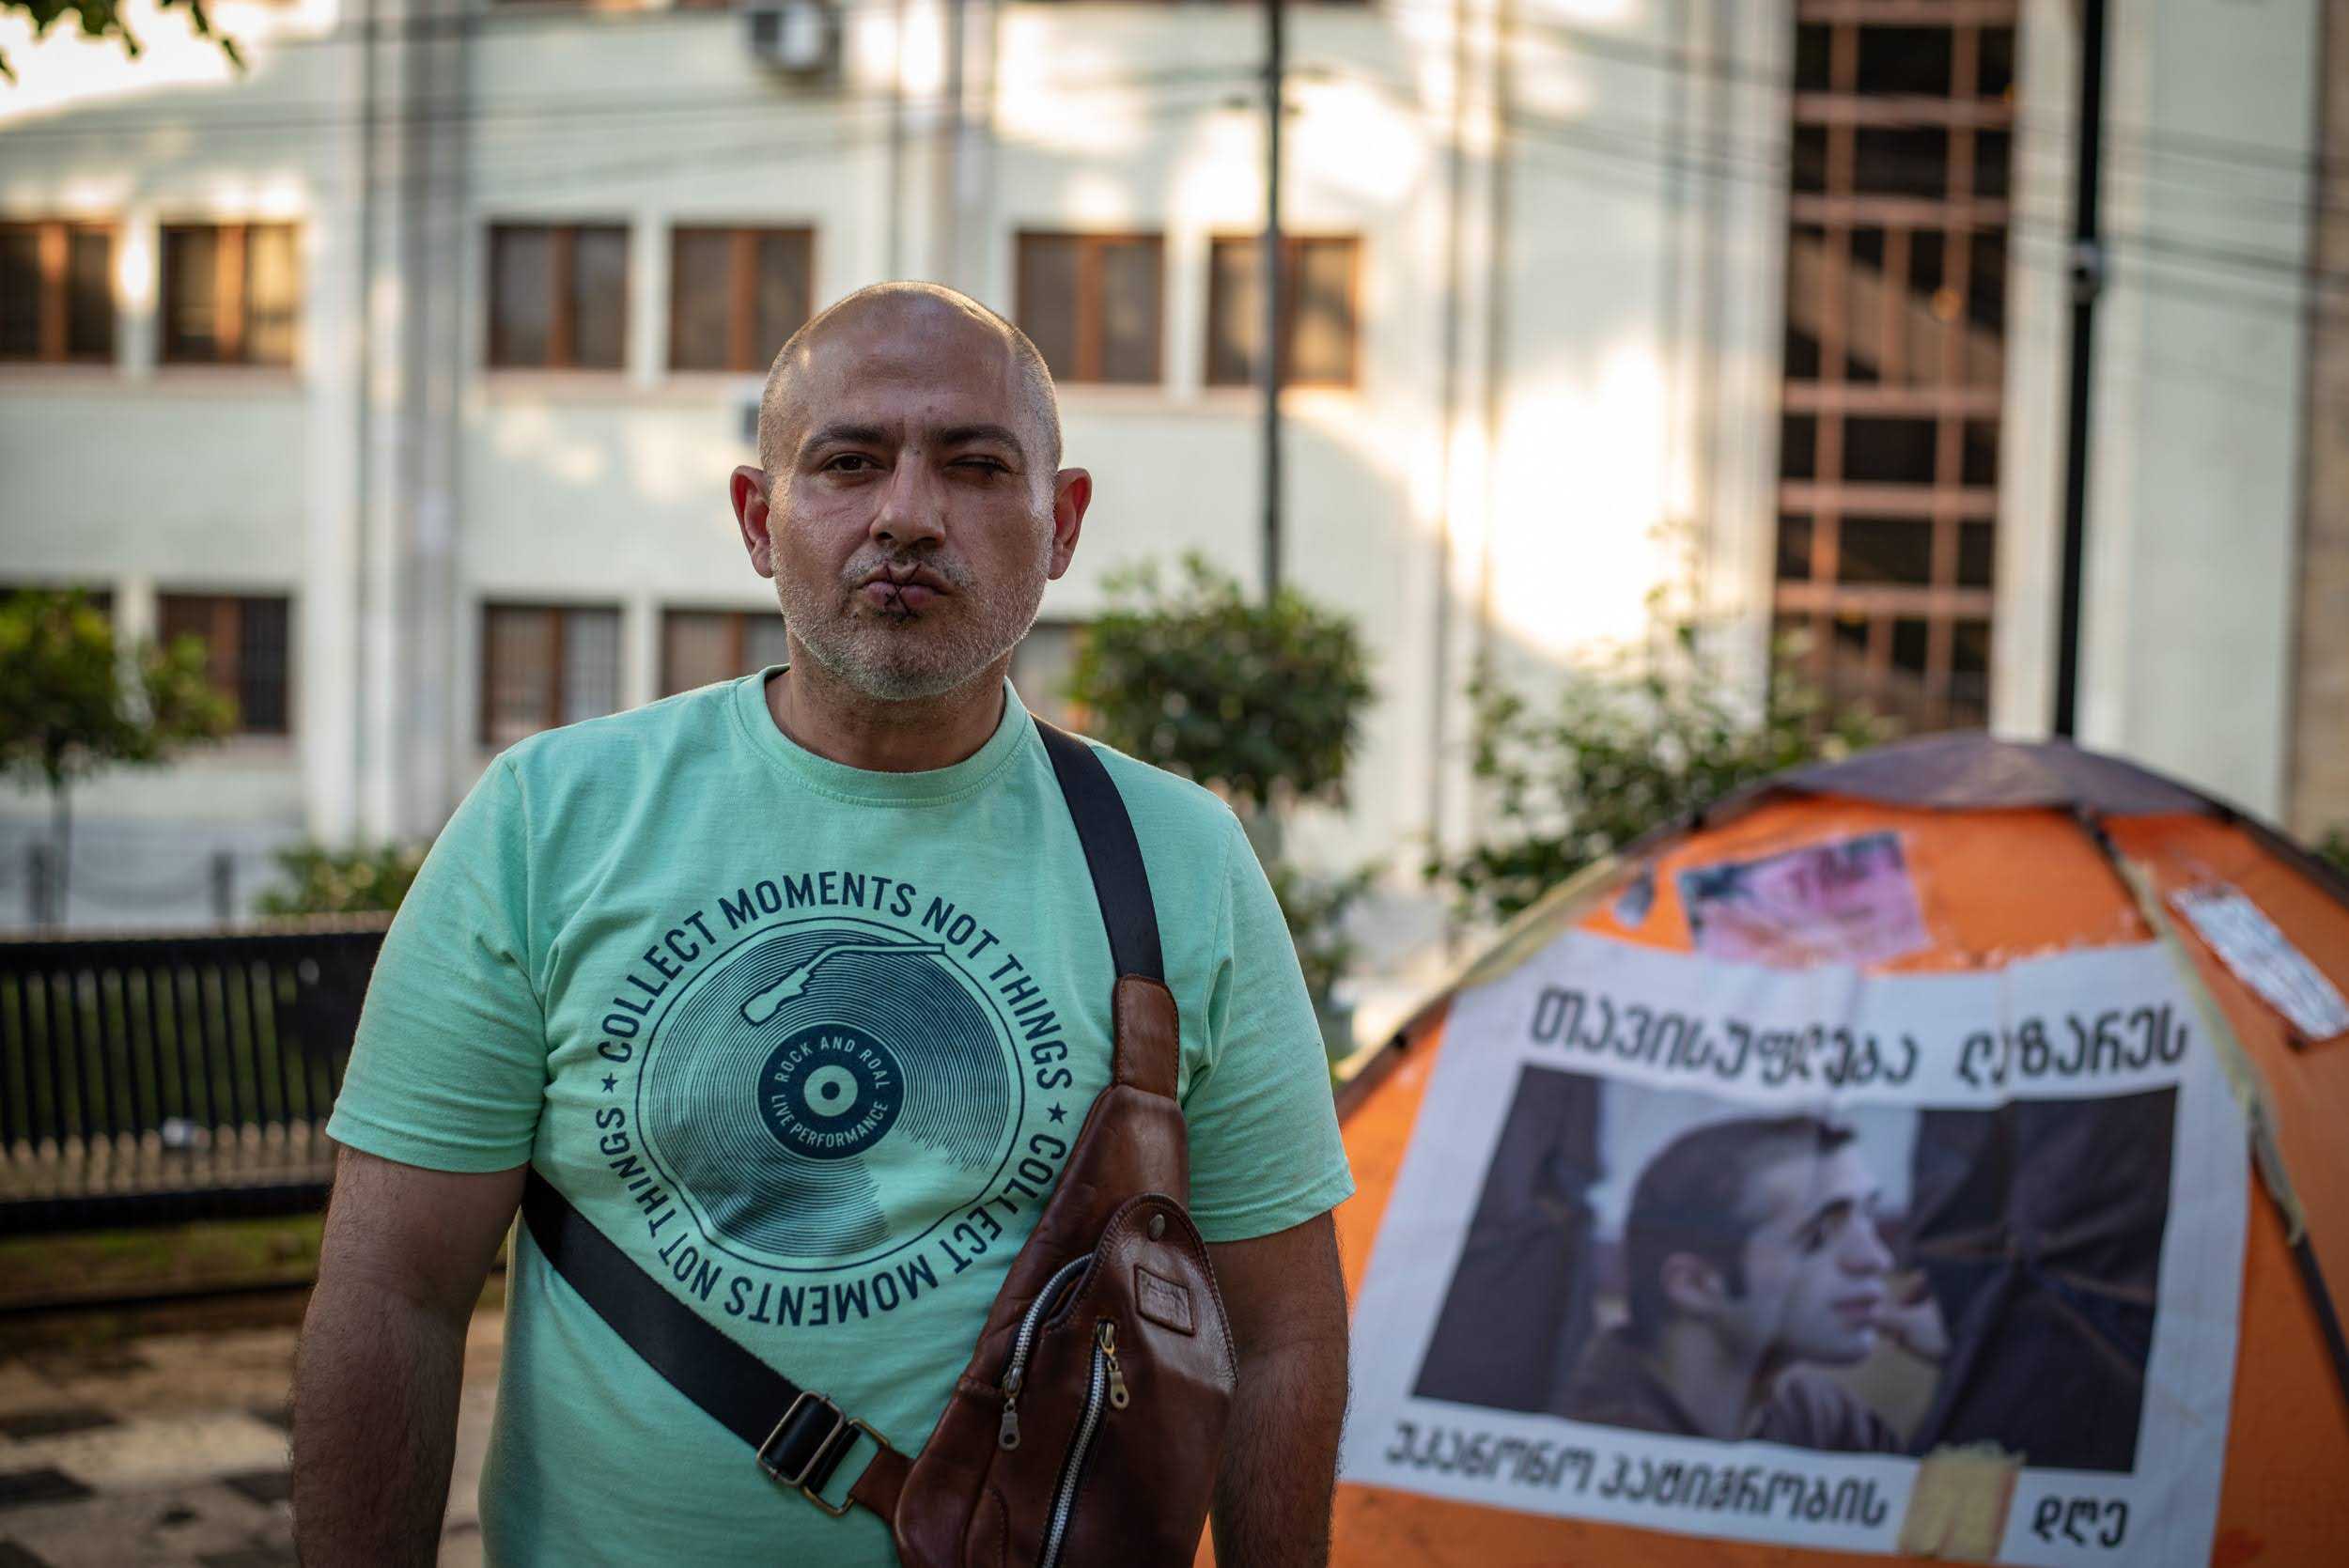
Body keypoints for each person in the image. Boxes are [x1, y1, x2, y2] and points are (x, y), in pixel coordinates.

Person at [289, 282, 1357, 1566]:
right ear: (759, 518)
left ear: (1060, 523)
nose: (907, 515)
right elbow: (393, 1290)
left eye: (974, 466)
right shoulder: (549, 819)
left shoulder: (1182, 858)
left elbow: (1280, 1327)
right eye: (848, 463)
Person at [1558, 1114, 1942, 1452]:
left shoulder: (1819, 1414)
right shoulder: (1588, 1434)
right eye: (1820, 1233)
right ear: (1695, 1284)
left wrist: (1973, 1360)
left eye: (1868, 1216)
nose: (1876, 1259)